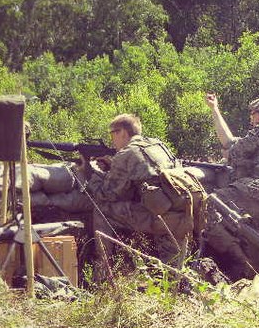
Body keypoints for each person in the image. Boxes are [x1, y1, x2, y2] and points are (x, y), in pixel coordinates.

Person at [81, 114, 189, 282]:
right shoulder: (157, 144)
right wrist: (113, 167)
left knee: (102, 209)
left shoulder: (126, 153)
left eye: (112, 134)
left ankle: (102, 273)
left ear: (123, 133)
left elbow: (107, 194)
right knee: (173, 273)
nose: (111, 140)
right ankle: (177, 283)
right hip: (182, 213)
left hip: (161, 218)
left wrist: (88, 172)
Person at [203, 94, 259, 279]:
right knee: (245, 227)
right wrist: (214, 109)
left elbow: (234, 150)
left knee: (210, 204)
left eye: (254, 113)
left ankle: (243, 263)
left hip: (258, 188)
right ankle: (251, 265)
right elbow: (229, 142)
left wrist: (231, 155)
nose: (251, 118)